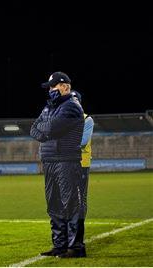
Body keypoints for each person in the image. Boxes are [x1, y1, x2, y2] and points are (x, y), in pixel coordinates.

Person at [30, 72, 86, 258]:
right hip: (50, 161)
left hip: (66, 160)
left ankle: (76, 247)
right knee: (53, 204)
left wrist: (46, 129)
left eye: (53, 87)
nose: (50, 90)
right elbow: (33, 129)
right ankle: (60, 245)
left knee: (70, 203)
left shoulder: (71, 106)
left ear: (64, 86)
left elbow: (50, 128)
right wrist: (46, 129)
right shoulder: (49, 108)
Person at [70, 90, 95, 248]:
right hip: (64, 165)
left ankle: (78, 239)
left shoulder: (87, 119)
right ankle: (68, 238)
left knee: (79, 202)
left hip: (81, 165)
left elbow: (82, 142)